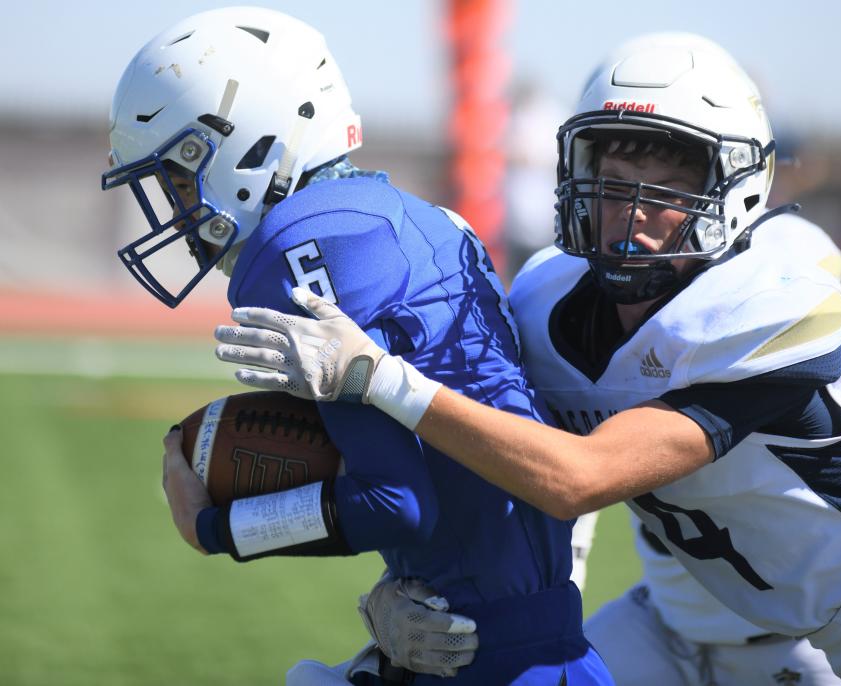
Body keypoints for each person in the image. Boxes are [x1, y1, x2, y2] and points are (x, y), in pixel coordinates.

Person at [214, 32, 841, 685]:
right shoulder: (546, 299)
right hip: (676, 623)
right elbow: (511, 473)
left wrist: (375, 377)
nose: (631, 208)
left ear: (737, 188)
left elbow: (579, 477)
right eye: (612, 174)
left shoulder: (765, 305)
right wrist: (394, 600)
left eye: (670, 183)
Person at [101, 7, 612, 685]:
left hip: (484, 655)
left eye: (179, 178)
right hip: (525, 628)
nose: (176, 210)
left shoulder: (293, 248)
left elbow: (396, 502)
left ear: (241, 148)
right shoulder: (420, 216)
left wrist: (214, 529)